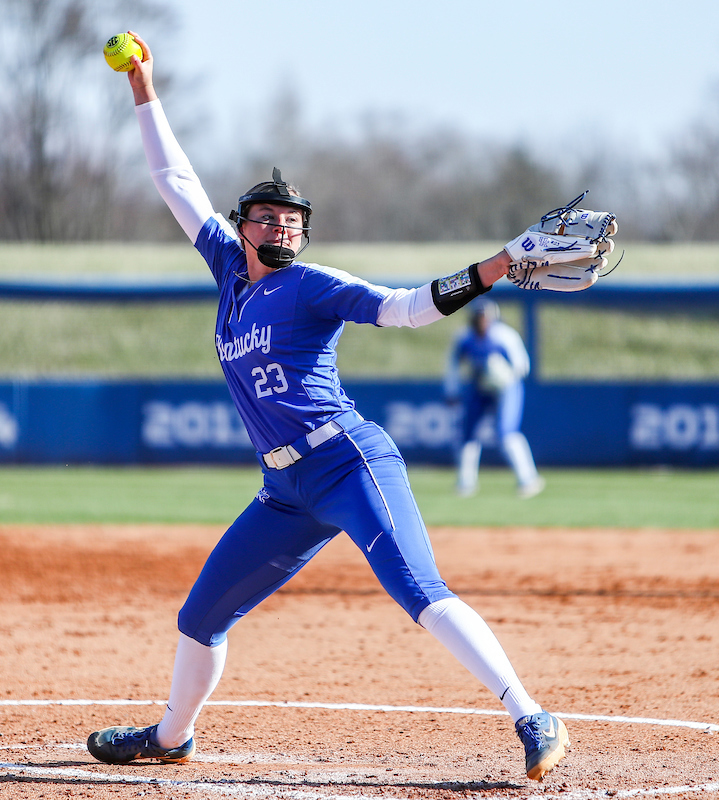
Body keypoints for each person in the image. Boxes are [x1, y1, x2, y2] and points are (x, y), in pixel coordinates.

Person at [81, 33, 614, 783]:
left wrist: (495, 267)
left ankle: (532, 714)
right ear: (243, 228)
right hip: (283, 491)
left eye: (293, 219)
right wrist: (142, 86)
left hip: (347, 459)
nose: (282, 227)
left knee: (417, 590)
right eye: (267, 217)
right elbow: (172, 178)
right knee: (200, 617)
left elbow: (404, 309)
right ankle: (171, 736)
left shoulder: (314, 284)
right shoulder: (230, 271)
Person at [445, 298, 544, 498]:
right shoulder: (464, 338)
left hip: (505, 388)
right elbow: (452, 366)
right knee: (468, 434)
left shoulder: (504, 337)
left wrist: (501, 373)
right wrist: (451, 391)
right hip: (479, 386)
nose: (482, 321)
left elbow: (522, 366)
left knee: (506, 433)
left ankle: (528, 479)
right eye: (478, 317)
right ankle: (466, 483)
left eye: (485, 317)